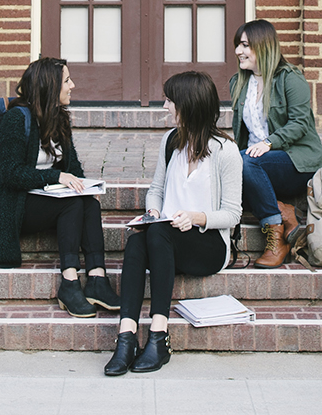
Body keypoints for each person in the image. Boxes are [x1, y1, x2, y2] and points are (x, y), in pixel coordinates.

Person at [103, 71, 242, 376]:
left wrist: (195, 218)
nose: (165, 106)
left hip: (206, 244)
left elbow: (232, 214)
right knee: (140, 237)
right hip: (164, 236)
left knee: (155, 234)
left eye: (170, 100)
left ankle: (158, 333)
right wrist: (153, 213)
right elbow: (156, 190)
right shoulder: (170, 142)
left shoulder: (225, 151)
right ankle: (126, 337)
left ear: (188, 105)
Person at [0, 57, 118, 318]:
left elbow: (72, 166)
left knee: (87, 201)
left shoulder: (59, 118)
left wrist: (86, 186)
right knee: (72, 202)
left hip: (47, 197)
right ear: (50, 86)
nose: (72, 85)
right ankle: (70, 282)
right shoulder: (17, 119)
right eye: (67, 81)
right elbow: (9, 173)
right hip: (15, 203)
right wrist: (55, 177)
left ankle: (97, 278)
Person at [228, 19, 322, 268]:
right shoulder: (239, 83)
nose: (238, 51)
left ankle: (275, 234)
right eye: (238, 45)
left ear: (264, 46)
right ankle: (284, 211)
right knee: (221, 172)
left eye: (245, 45)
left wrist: (270, 143)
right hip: (253, 161)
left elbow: (300, 123)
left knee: (247, 161)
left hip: (295, 160)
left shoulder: (290, 78)